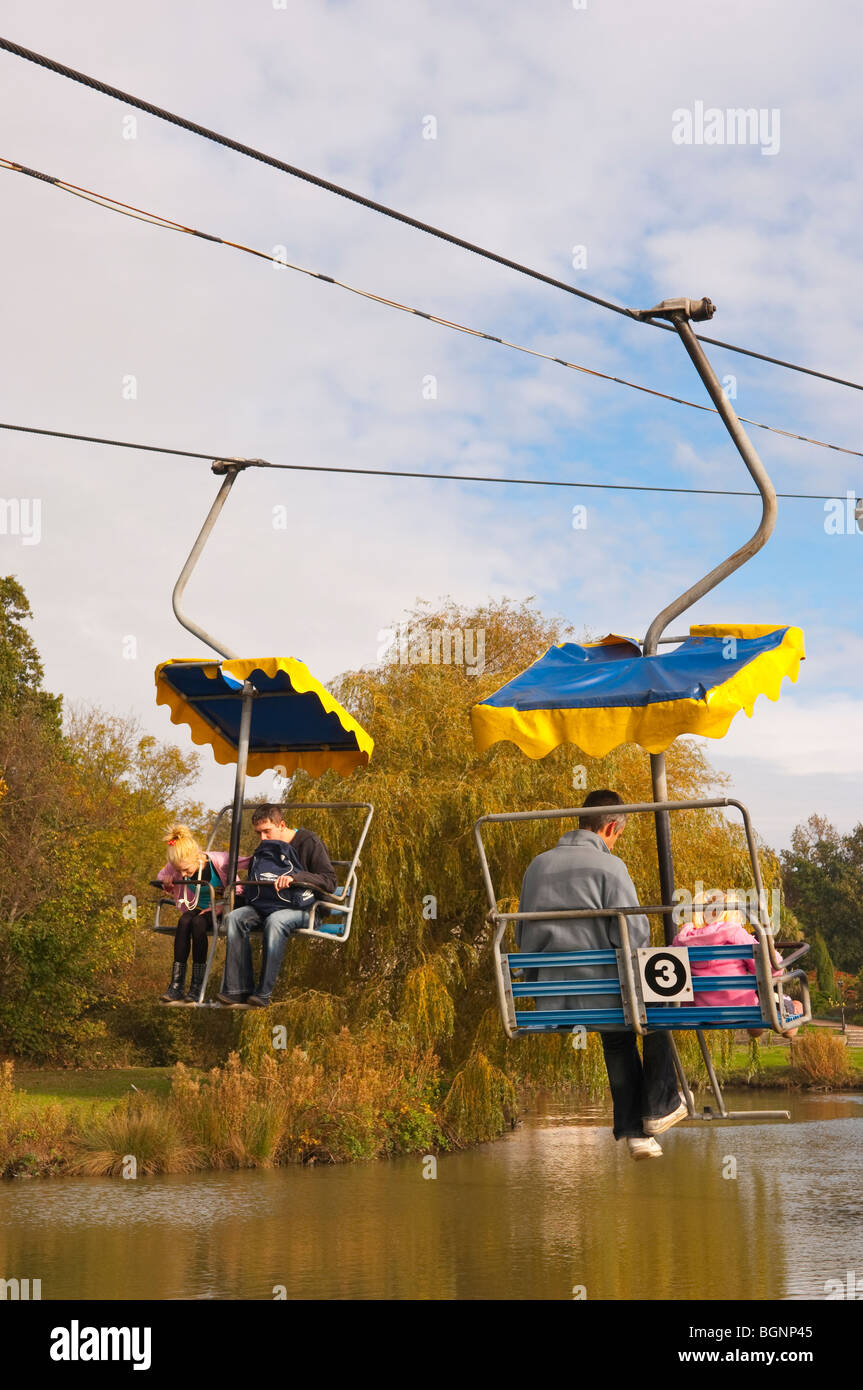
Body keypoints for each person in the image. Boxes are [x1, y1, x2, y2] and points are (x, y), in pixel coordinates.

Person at [517, 789, 687, 1160]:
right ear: (611, 827)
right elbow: (634, 935)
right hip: (605, 996)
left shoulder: (536, 866)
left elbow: (521, 936)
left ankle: (634, 1132)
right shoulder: (611, 868)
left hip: (548, 1001)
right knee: (665, 1001)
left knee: (617, 1035)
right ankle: (660, 1106)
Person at [217, 804, 337, 1008]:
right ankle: (238, 989)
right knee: (235, 918)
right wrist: (225, 902)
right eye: (259, 833)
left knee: (276, 921)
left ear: (281, 825)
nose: (263, 838)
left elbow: (330, 881)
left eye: (267, 831)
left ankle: (263, 993)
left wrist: (295, 878)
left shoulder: (308, 842)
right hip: (266, 905)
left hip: (305, 909)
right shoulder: (264, 849)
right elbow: (256, 883)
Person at [673, 888, 804, 1039]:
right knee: (796, 1006)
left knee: (759, 1000)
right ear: (733, 914)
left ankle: (757, 1028)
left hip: (700, 1013)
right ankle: (785, 1028)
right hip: (743, 1010)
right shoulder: (735, 933)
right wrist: (770, 950)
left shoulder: (682, 940)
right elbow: (773, 970)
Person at [156, 825, 251, 1004]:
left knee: (198, 923)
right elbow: (162, 875)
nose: (183, 875)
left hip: (225, 905)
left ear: (198, 858)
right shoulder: (178, 865)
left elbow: (247, 862)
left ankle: (196, 986)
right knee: (184, 921)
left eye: (187, 871)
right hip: (199, 905)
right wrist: (166, 882)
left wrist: (224, 905)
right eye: (179, 871)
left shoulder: (219, 861)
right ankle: (176, 985)